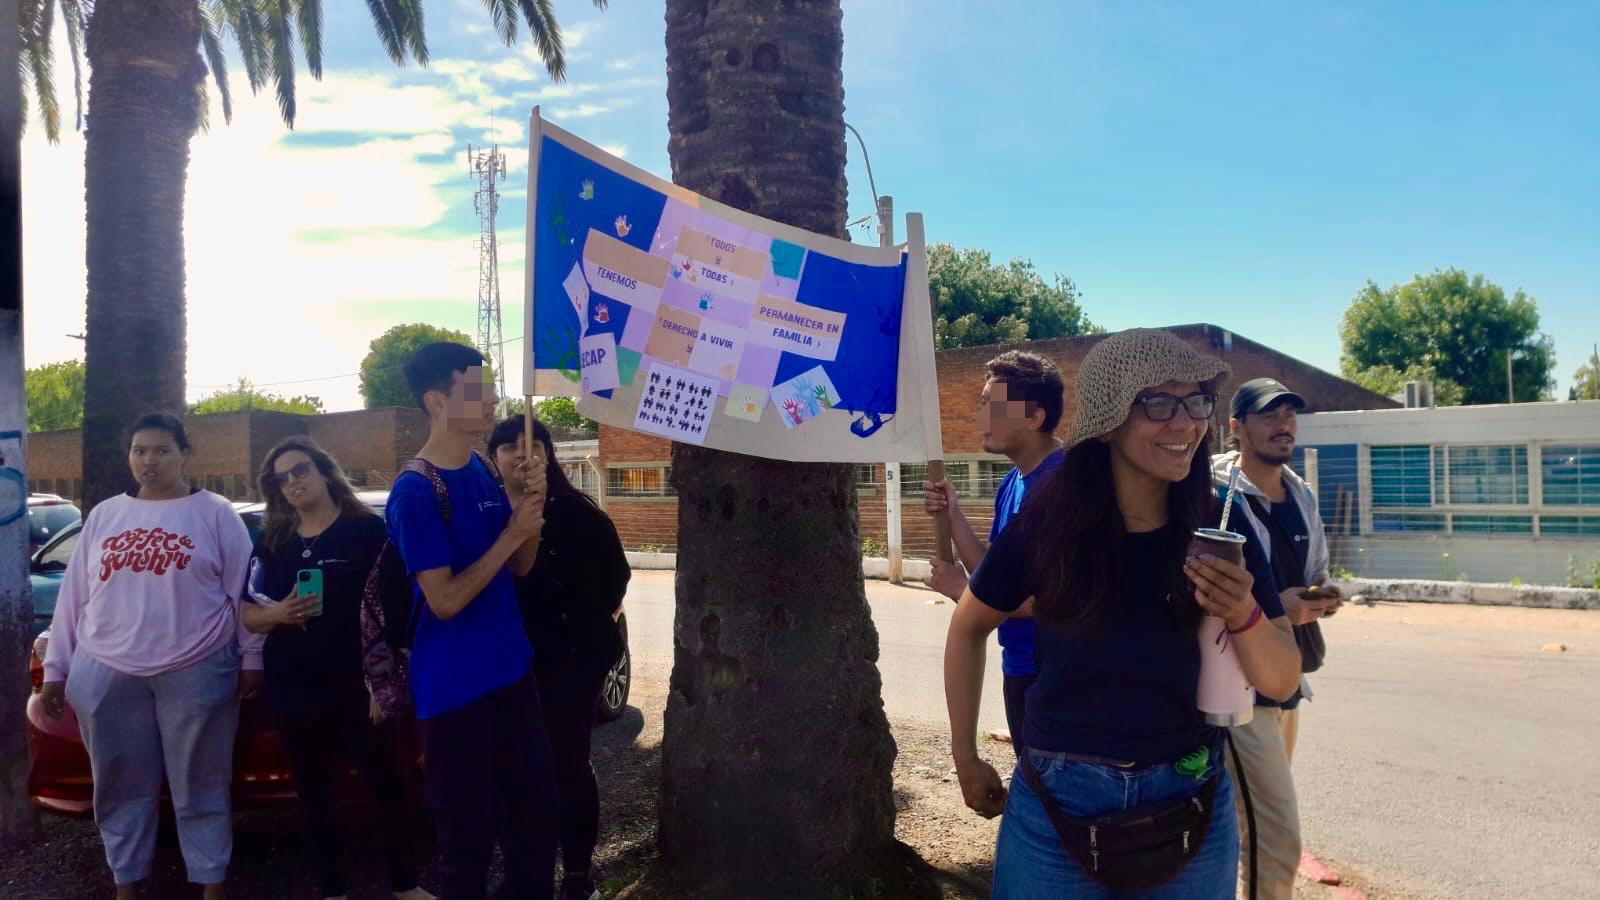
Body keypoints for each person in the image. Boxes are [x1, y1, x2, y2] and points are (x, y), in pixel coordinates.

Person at [944, 329, 1302, 898]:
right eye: (1158, 403)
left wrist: (1244, 613)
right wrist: (965, 756)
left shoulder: (1221, 528)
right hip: (1057, 805)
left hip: (1190, 799)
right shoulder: (1052, 518)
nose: (1185, 424)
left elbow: (1282, 679)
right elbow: (967, 626)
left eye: (1196, 403)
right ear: (1110, 419)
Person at [40, 412, 262, 900]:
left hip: (197, 665)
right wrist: (57, 668)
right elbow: (73, 597)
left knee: (201, 782)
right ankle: (127, 881)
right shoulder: (104, 515)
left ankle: (211, 883)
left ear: (184, 454)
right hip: (107, 668)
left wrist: (251, 658)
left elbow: (245, 592)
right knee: (117, 784)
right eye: (140, 450)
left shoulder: (215, 512)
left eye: (162, 450)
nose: (149, 460)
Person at [384, 342, 557, 900]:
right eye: (476, 389)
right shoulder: (414, 491)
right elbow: (445, 601)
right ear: (437, 400)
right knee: (467, 850)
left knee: (534, 833)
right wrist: (511, 534)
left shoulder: (485, 470)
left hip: (514, 676)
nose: (491, 399)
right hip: (456, 696)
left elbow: (521, 569)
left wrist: (529, 509)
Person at [240, 437, 434, 900]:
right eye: (281, 478)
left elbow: (398, 608)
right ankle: (332, 890)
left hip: (356, 684)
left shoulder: (367, 533)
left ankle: (405, 885)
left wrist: (382, 682)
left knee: (385, 784)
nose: (293, 483)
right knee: (314, 794)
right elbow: (248, 613)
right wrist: (279, 615)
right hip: (293, 686)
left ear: (325, 471)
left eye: (300, 470)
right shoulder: (272, 542)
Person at [1212, 378, 1343, 900]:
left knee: (1251, 825)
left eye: (1289, 414)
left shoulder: (1300, 492)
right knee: (1277, 837)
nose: (1283, 424)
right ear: (1236, 428)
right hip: (1241, 689)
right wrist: (1274, 607)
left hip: (1290, 680)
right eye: (1269, 415)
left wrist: (1321, 597)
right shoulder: (1216, 495)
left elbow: (1317, 570)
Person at [490, 415, 631, 900]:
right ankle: (522, 877)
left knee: (567, 766)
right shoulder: (483, 516)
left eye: (531, 445)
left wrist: (586, 648)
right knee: (512, 775)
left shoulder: (580, 515)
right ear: (494, 459)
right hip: (501, 667)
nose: (519, 454)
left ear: (548, 455)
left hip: (567, 667)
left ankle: (576, 878)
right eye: (506, 447)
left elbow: (615, 582)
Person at [923, 350, 1066, 751]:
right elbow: (996, 570)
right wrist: (953, 515)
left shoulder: (1059, 488)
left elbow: (1045, 598)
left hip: (1053, 674)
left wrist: (961, 592)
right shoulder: (1013, 481)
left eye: (992, 406)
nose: (980, 416)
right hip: (1019, 667)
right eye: (981, 404)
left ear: (1034, 418)